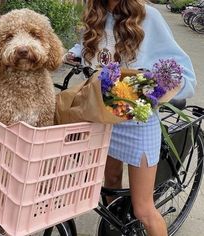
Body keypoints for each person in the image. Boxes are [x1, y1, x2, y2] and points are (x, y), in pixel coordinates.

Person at [63, 1, 196, 235]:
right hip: (101, 117)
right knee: (110, 184)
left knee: (143, 209)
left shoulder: (149, 17)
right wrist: (75, 53)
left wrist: (149, 88)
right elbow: (90, 48)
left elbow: (183, 73)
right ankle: (113, 230)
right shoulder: (97, 15)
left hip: (136, 122)